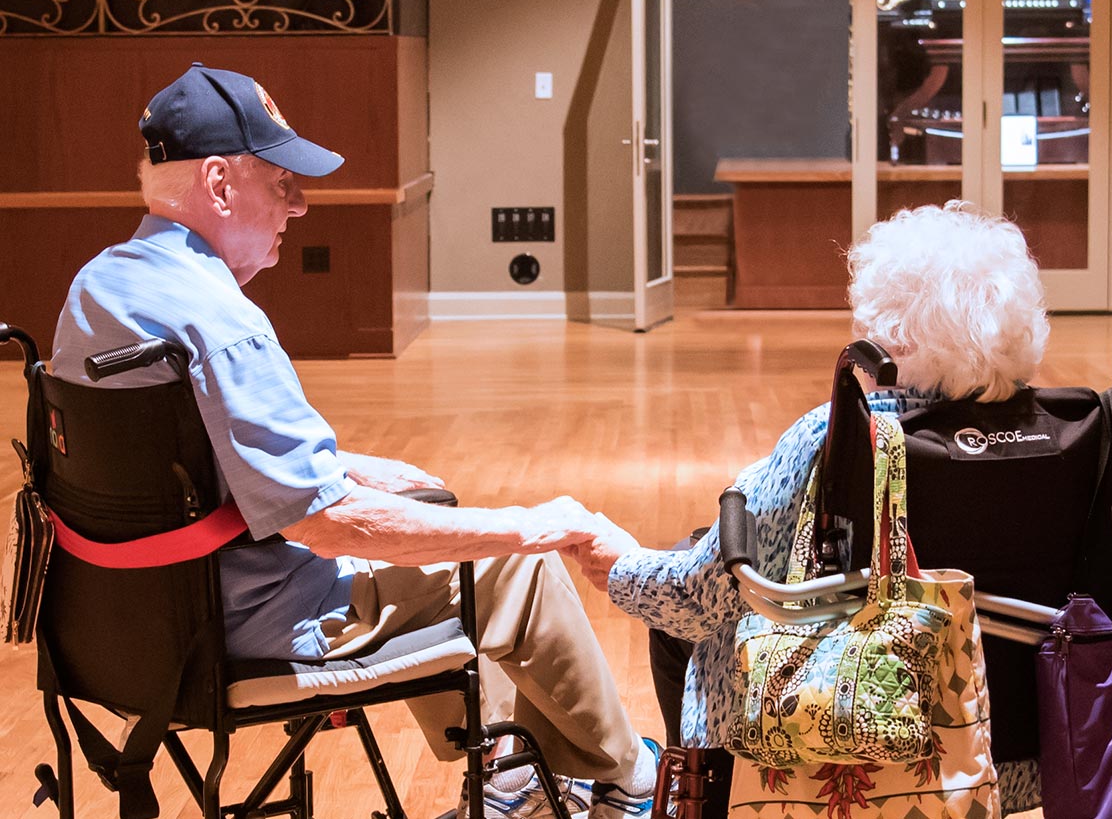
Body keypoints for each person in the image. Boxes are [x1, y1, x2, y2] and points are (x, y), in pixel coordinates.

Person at [50, 63, 661, 819]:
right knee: (510, 564)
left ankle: (518, 781)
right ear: (217, 184)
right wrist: (530, 523)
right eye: (280, 181)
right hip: (245, 625)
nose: (299, 205)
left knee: (426, 509)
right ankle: (633, 781)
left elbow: (190, 463)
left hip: (125, 622)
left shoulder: (96, 289)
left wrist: (352, 472)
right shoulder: (223, 324)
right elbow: (323, 524)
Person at [567, 200, 1051, 815]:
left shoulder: (843, 438)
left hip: (880, 754)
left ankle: (704, 799)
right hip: (1025, 753)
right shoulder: (1069, 432)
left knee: (680, 610)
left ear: (892, 336)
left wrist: (623, 566)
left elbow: (696, 599)